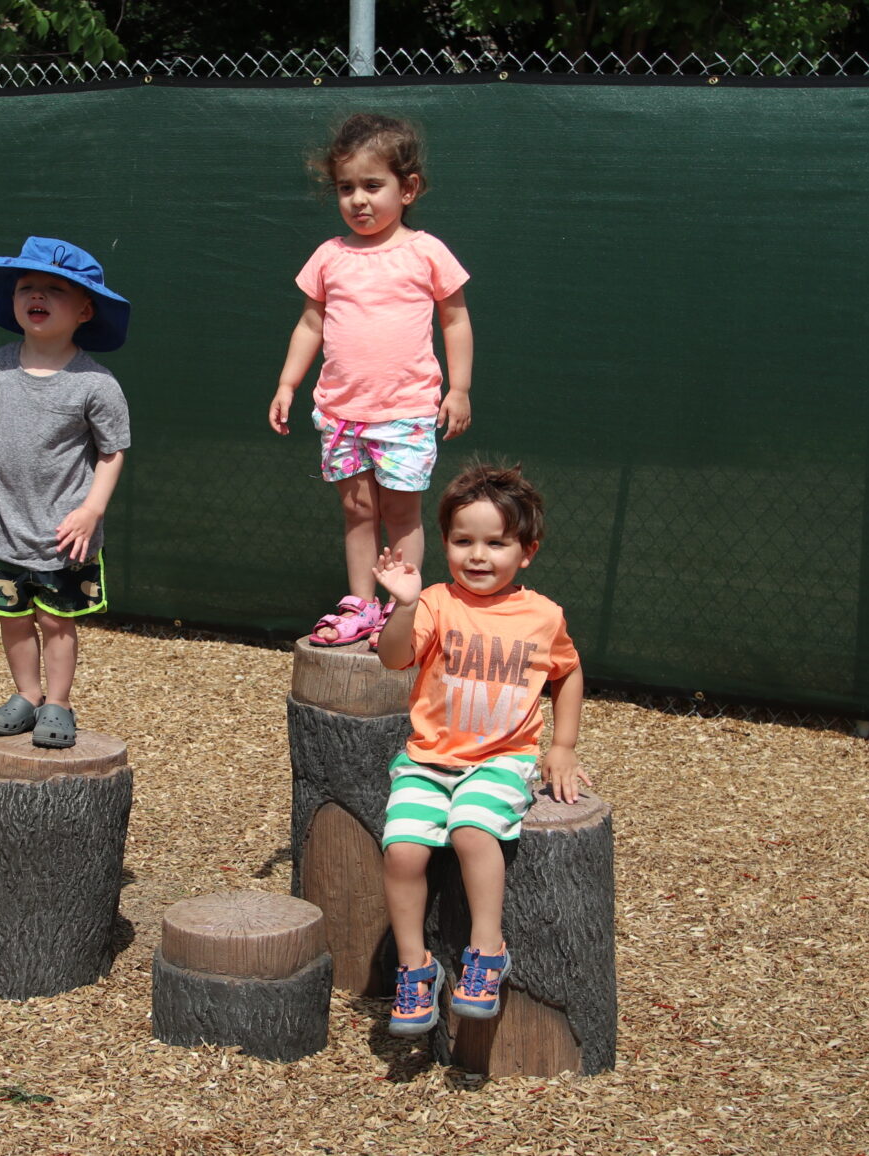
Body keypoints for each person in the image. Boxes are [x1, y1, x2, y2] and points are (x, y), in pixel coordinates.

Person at [369, 463, 588, 1035]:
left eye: (497, 542)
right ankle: (415, 967)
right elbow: (393, 658)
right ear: (445, 543)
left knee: (471, 831)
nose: (478, 555)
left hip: (501, 758)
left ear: (527, 552)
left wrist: (563, 745)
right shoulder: (436, 602)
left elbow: (567, 672)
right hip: (428, 758)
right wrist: (404, 605)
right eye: (463, 541)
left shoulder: (543, 615)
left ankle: (487, 951)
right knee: (403, 851)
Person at [268, 112, 474, 650]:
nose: (358, 200)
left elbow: (455, 320)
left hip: (406, 413)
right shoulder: (329, 256)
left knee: (401, 513)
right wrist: (288, 384)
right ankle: (360, 606)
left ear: (408, 189)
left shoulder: (426, 251)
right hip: (340, 415)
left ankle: (400, 611)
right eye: (346, 188)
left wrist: (459, 389)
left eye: (372, 185)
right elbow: (310, 324)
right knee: (357, 511)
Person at [0, 236, 131, 749]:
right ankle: (27, 695)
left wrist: (92, 509)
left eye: (56, 288)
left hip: (63, 534)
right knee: (12, 618)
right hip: (5, 529)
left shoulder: (96, 384)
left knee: (55, 621)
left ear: (85, 310)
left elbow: (112, 452)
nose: (37, 295)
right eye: (26, 286)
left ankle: (59, 702)